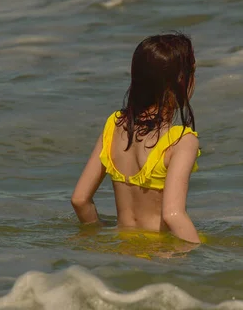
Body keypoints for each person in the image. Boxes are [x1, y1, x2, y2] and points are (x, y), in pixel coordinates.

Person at [71, 32, 201, 244]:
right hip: (158, 255)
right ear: (181, 81)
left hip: (120, 250)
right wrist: (204, 262)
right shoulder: (181, 141)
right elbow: (172, 215)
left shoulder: (114, 125)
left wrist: (96, 233)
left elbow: (79, 200)